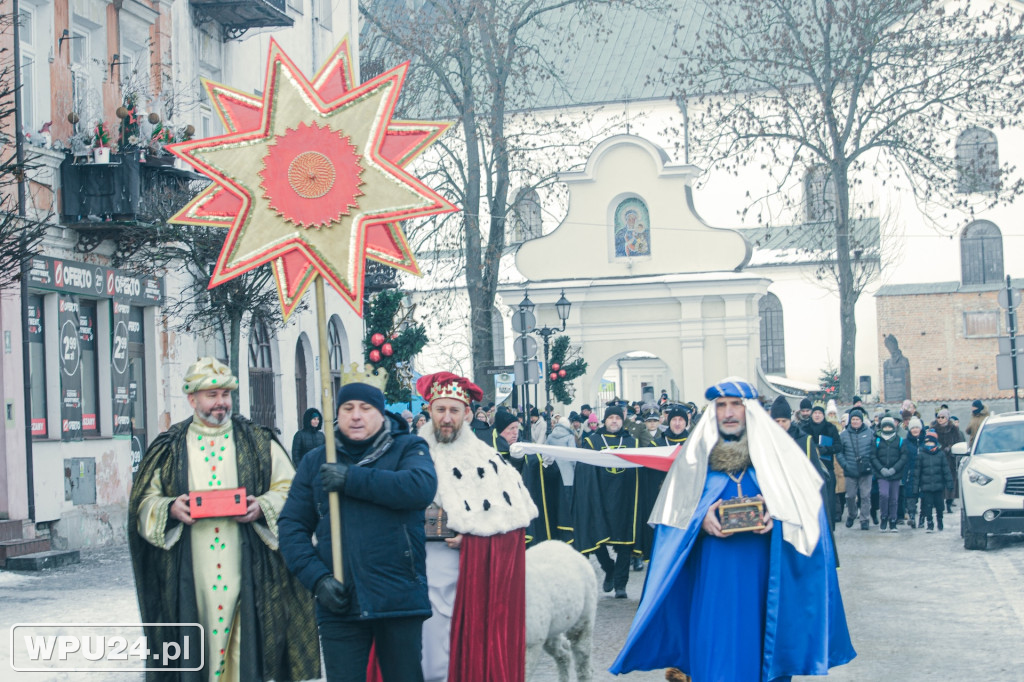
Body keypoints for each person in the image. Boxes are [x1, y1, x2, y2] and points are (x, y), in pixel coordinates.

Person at [610, 377, 854, 680]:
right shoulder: (693, 462)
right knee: (716, 653)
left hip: (764, 579)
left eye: (735, 405)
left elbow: (810, 516)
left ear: (750, 410)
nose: (728, 413)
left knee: (761, 649)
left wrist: (778, 516)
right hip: (712, 581)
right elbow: (670, 528)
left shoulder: (779, 462)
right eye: (721, 405)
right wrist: (700, 520)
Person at [128, 357, 319, 682]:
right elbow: (143, 503)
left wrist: (262, 506)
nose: (220, 403)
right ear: (193, 399)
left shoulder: (257, 441)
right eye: (212, 395)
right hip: (191, 573)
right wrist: (171, 509)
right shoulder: (170, 447)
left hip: (247, 570)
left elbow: (292, 490)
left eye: (225, 394)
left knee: (246, 650)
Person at [278, 380, 437, 682]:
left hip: (399, 599)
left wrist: (352, 479)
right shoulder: (316, 461)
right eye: (347, 408)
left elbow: (419, 488)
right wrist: (317, 578)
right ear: (337, 413)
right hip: (340, 601)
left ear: (381, 413)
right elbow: (291, 526)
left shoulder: (408, 447)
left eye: (366, 408)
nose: (356, 416)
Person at [416, 372, 537, 682]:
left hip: (469, 578)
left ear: (467, 413)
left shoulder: (487, 460)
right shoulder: (411, 455)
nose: (446, 418)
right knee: (426, 662)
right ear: (429, 410)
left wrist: (474, 542)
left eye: (454, 410)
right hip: (416, 578)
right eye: (440, 409)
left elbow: (511, 528)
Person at [575, 405, 645, 598]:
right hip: (599, 497)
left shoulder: (633, 443)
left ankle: (621, 584)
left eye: (617, 418)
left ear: (622, 420)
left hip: (625, 497)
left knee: (625, 542)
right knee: (596, 538)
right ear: (604, 421)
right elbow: (584, 470)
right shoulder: (592, 441)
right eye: (610, 418)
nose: (614, 421)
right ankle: (609, 568)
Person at [803, 400, 840, 530]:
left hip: (827, 467)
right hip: (810, 468)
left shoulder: (831, 428)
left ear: (824, 415)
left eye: (820, 413)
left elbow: (839, 446)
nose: (817, 415)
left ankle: (829, 526)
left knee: (828, 499)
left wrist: (826, 449)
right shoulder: (805, 429)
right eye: (815, 413)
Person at [838, 407, 875, 530]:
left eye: (857, 419)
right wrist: (845, 465)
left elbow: (874, 450)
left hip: (866, 470)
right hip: (850, 470)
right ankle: (852, 514)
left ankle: (865, 519)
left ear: (861, 420)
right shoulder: (843, 435)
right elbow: (839, 453)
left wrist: (869, 462)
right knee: (850, 496)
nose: (855, 421)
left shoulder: (870, 433)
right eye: (853, 419)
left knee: (865, 496)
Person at [871, 417, 909, 532]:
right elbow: (872, 456)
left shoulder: (899, 440)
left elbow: (903, 457)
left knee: (894, 498)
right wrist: (881, 469)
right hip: (881, 473)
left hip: (895, 474)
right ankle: (884, 517)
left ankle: (893, 520)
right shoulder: (877, 440)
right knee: (884, 495)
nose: (887, 429)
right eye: (885, 426)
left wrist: (894, 469)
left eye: (889, 426)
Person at [912, 429, 954, 532]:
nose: (929, 445)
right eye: (927, 443)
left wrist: (949, 483)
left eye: (931, 442)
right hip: (926, 487)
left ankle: (940, 520)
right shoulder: (921, 455)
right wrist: (915, 488)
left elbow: (946, 470)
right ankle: (929, 523)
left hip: (939, 486)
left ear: (935, 443)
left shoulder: (940, 454)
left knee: (940, 506)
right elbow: (917, 473)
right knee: (927, 506)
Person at [931, 408, 965, 514]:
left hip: (951, 459)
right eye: (939, 417)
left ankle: (949, 503)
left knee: (951, 482)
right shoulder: (934, 429)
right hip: (938, 459)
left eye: (943, 417)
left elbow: (959, 441)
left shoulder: (954, 429)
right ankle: (940, 504)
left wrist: (951, 447)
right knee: (939, 482)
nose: (940, 419)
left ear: (947, 418)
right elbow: (930, 442)